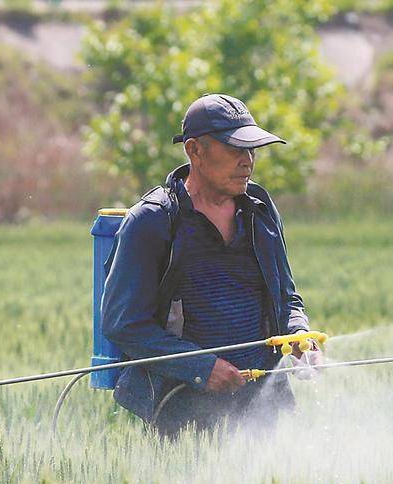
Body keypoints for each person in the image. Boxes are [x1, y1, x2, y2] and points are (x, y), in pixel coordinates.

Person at [101, 93, 320, 436]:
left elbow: (286, 297)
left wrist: (297, 333)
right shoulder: (153, 222)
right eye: (234, 149)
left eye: (252, 150)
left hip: (267, 402)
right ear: (195, 151)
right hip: (183, 409)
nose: (247, 161)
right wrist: (202, 367)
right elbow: (124, 325)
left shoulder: (259, 209)